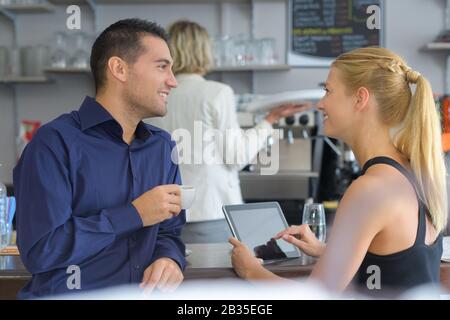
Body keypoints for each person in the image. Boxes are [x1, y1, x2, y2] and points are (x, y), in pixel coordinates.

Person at [229, 47, 447, 296]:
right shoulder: (410, 173)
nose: (320, 104)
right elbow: (397, 263)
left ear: (360, 99)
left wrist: (250, 270)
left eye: (328, 91)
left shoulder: (370, 189)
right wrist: (328, 251)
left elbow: (316, 296)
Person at [14, 19, 186, 298]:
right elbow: (40, 251)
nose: (173, 81)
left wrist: (168, 259)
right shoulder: (53, 143)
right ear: (119, 69)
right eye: (162, 66)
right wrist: (134, 214)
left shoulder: (162, 147)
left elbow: (169, 231)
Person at [149, 20, 310, 243]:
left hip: (165, 213)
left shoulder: (154, 93)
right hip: (211, 211)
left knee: (176, 276)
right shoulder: (216, 92)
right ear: (205, 51)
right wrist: (270, 120)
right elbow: (236, 156)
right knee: (213, 276)